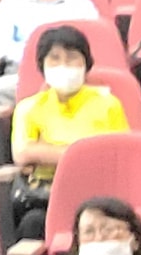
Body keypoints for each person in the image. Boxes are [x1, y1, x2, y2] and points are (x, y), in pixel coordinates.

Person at [10, 24, 130, 238]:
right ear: (42, 66)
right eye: (54, 59)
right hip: (47, 196)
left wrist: (47, 151)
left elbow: (118, 156)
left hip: (99, 195)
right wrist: (86, 153)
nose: (63, 65)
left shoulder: (108, 104)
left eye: (72, 58)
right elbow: (23, 153)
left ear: (86, 63)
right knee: (32, 223)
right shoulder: (29, 108)